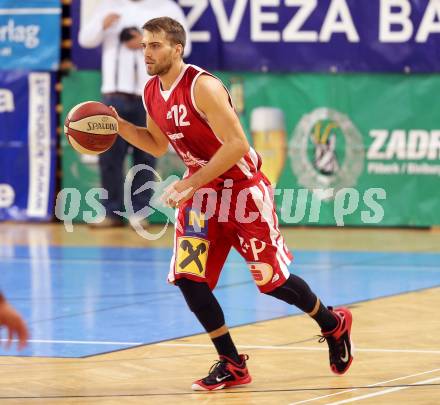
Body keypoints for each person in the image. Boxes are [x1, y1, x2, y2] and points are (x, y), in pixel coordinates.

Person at [112, 17, 354, 391]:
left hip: (242, 191)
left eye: (155, 45)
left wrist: (190, 181)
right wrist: (118, 127)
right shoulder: (150, 91)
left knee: (273, 282)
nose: (146, 53)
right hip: (202, 197)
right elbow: (158, 144)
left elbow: (238, 145)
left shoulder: (202, 86)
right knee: (188, 278)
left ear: (177, 49)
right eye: (144, 45)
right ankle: (232, 362)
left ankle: (332, 323)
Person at [78, 0, 191, 227]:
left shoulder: (166, 8)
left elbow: (184, 46)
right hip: (114, 94)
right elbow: (85, 40)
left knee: (146, 156)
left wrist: (145, 43)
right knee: (109, 156)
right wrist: (102, 23)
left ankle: (139, 212)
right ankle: (111, 211)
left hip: (149, 93)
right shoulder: (109, 6)